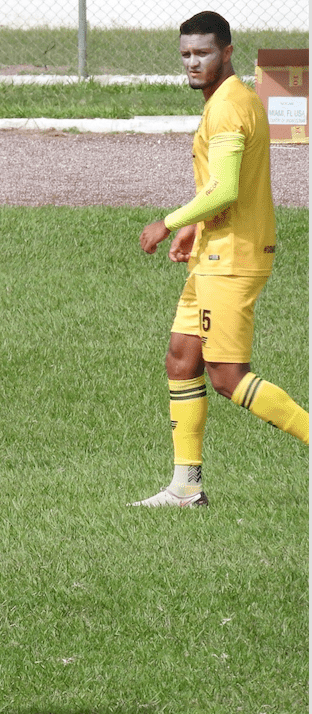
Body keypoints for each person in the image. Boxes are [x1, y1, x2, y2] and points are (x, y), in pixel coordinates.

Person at [133, 11, 308, 507]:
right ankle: (186, 488)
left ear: (228, 52)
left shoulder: (229, 107)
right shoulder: (225, 103)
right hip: (213, 253)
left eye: (203, 52)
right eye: (186, 54)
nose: (193, 63)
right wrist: (194, 225)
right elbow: (222, 187)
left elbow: (226, 188)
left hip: (233, 258)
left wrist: (167, 221)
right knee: (181, 359)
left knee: (227, 376)